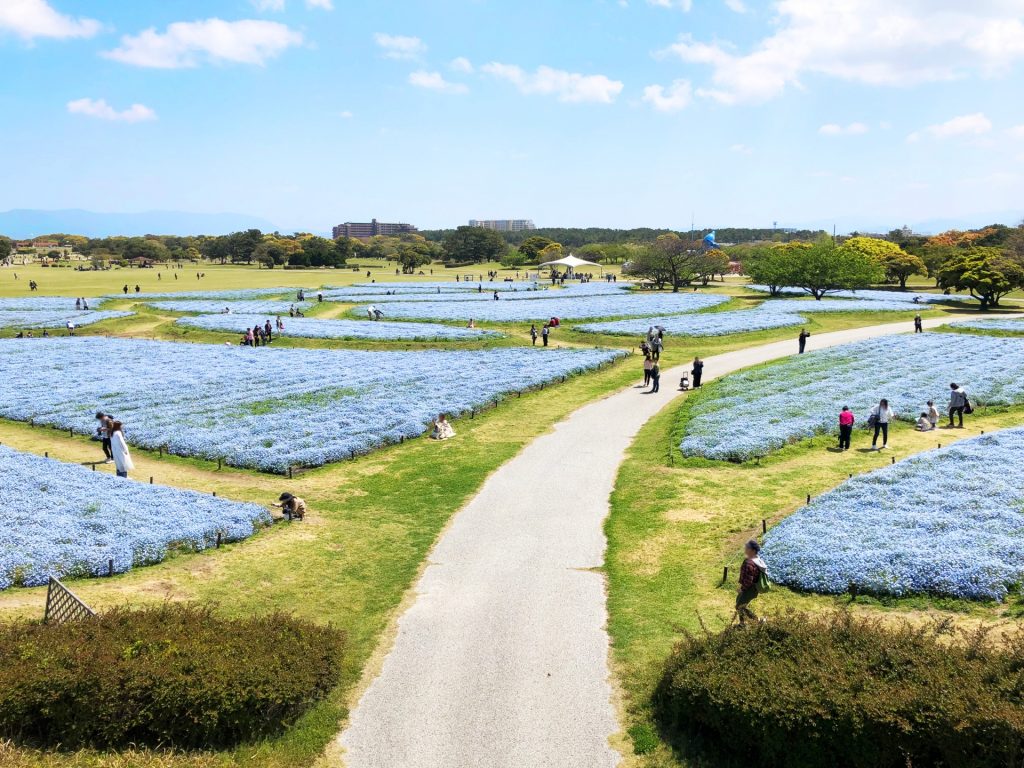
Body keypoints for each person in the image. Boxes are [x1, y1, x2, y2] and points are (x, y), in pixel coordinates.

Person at [736, 539, 767, 625]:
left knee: (739, 606)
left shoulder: (749, 563)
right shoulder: (756, 560)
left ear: (753, 550)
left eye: (747, 548)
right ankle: (742, 624)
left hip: (749, 589)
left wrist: (742, 589)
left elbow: (749, 580)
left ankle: (758, 620)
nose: (745, 549)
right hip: (753, 589)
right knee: (740, 604)